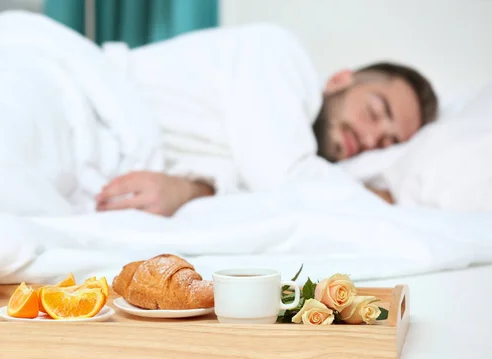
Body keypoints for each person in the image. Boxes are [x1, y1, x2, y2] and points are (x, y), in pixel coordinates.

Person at [94, 25, 439, 216]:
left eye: (387, 143)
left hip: (103, 153)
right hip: (90, 97)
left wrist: (187, 190)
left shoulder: (284, 143)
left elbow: (245, 185)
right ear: (339, 80)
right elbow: (278, 176)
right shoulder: (281, 55)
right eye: (376, 112)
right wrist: (374, 198)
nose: (370, 137)